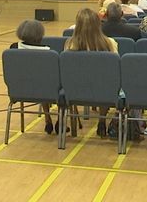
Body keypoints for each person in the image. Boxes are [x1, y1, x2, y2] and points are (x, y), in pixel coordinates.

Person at [65, 8, 118, 137]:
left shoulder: (70, 44)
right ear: (98, 23)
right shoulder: (110, 43)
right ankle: (102, 119)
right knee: (106, 83)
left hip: (76, 88)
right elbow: (115, 70)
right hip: (105, 88)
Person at [8, 20, 60, 134]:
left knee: (40, 84)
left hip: (19, 90)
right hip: (45, 90)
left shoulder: (13, 49)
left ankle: (47, 119)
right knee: (52, 86)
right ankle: (59, 119)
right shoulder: (48, 52)